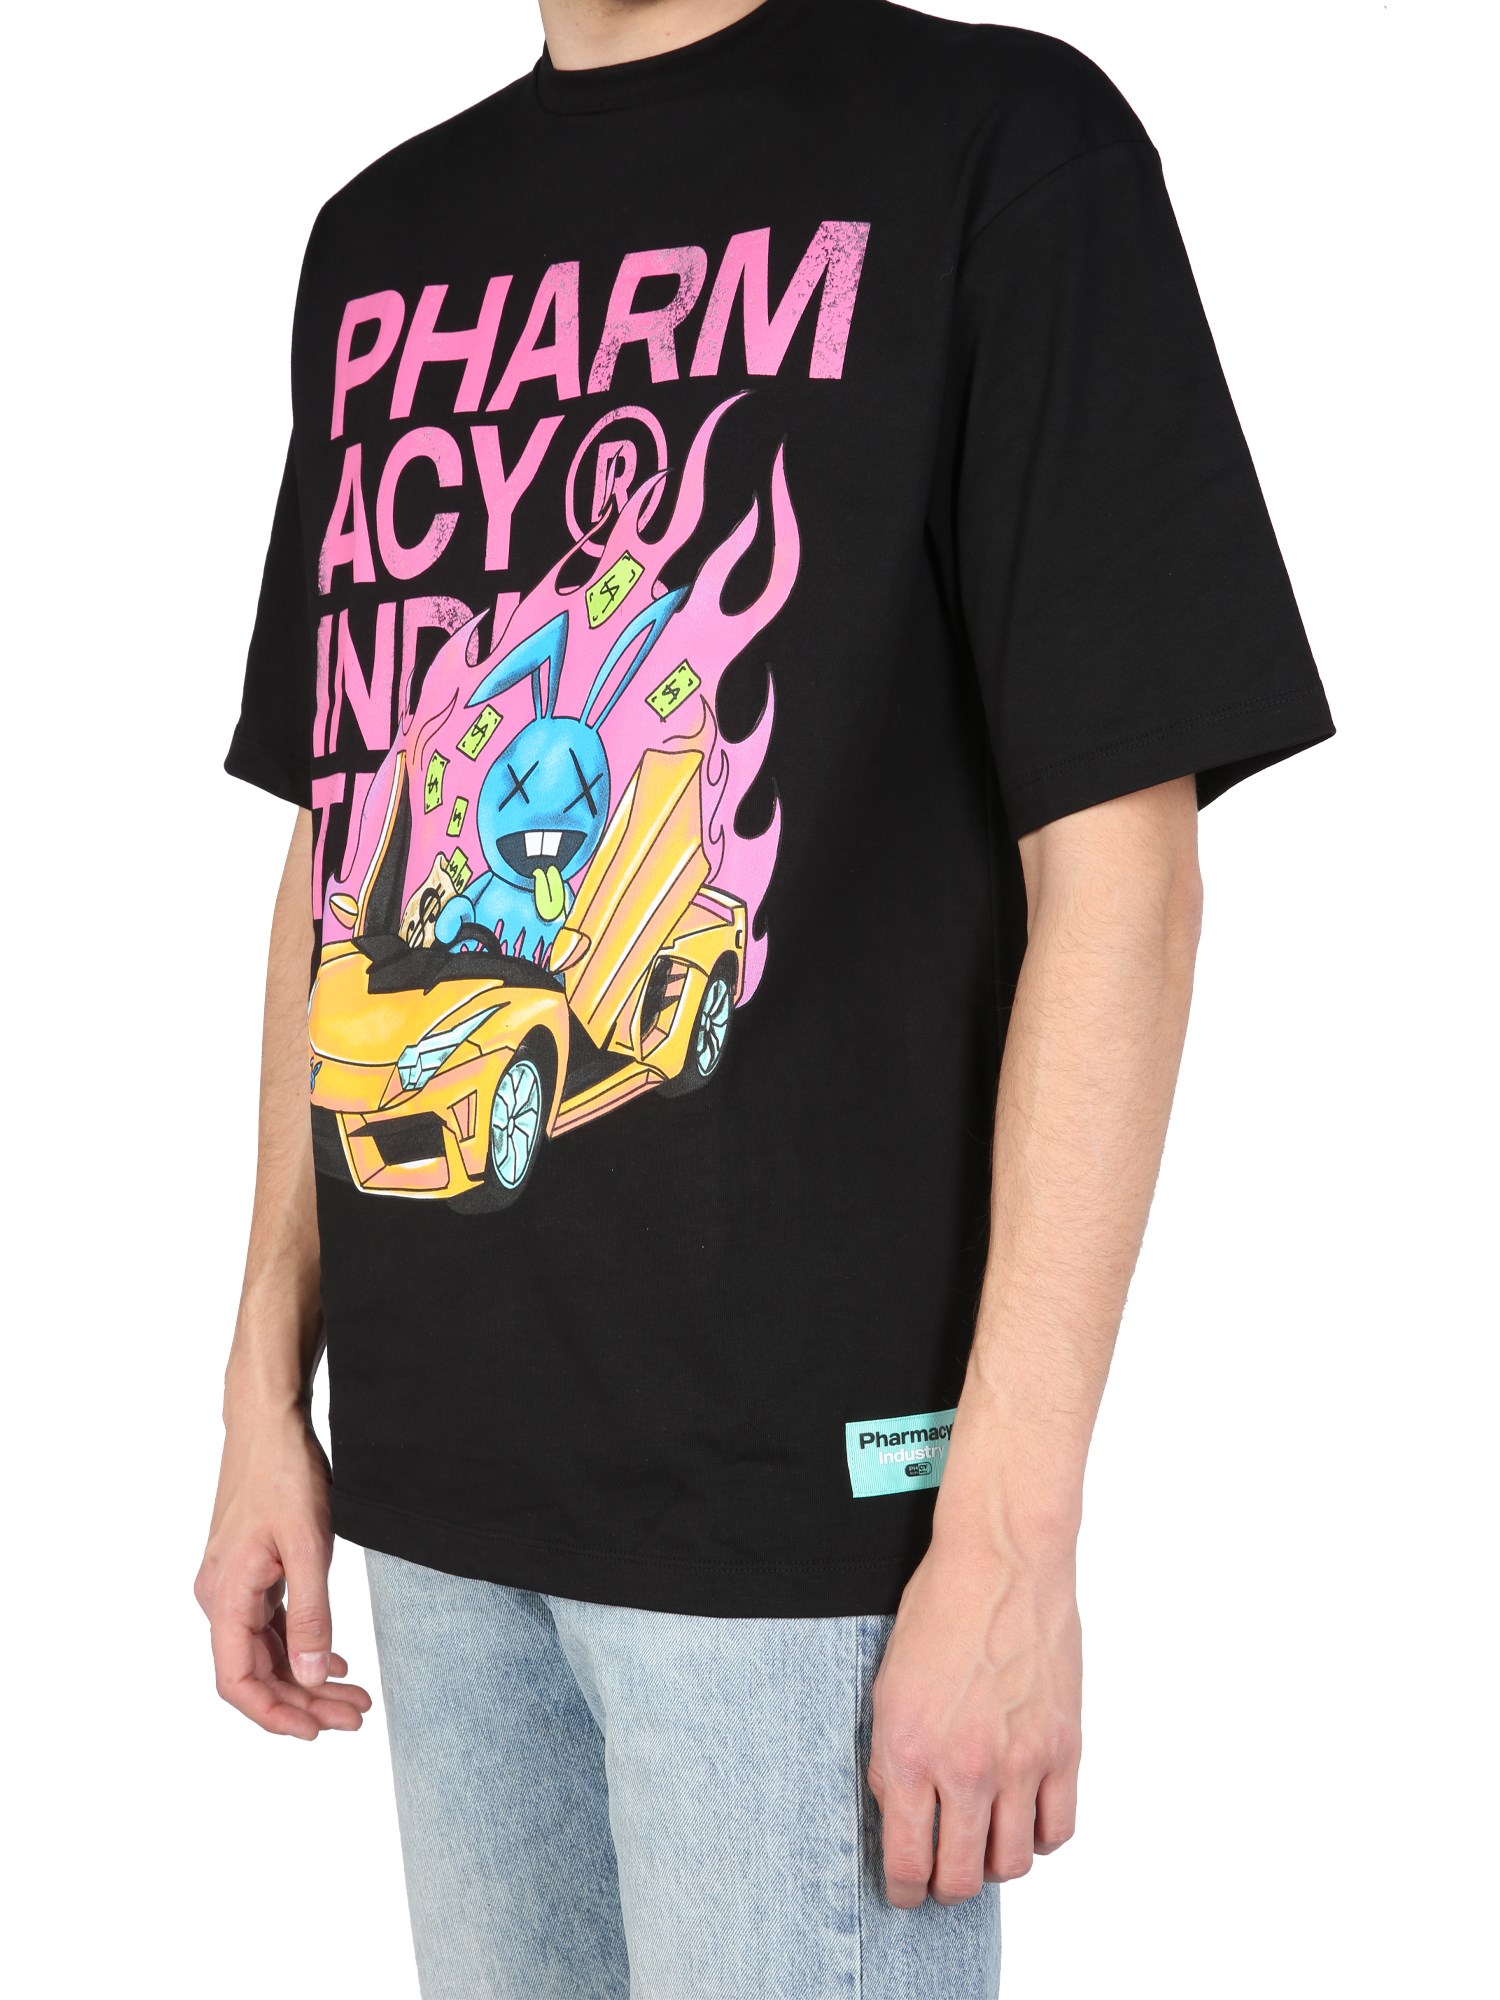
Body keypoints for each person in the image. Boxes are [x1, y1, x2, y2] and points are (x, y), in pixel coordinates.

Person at [196, 0, 1334, 1991]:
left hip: (804, 1537)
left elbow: (1122, 872)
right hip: (439, 1507)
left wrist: (1010, 1533)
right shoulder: (382, 241)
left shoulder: (999, 146)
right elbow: (339, 847)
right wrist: (260, 1392)